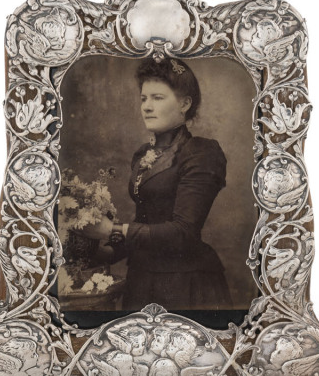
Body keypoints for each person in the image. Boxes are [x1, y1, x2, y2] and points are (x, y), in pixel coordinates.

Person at [81, 58, 232, 311]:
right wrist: (105, 252)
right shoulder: (143, 155)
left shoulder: (201, 153)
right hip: (141, 280)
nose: (147, 107)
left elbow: (183, 232)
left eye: (158, 98)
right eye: (143, 99)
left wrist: (111, 229)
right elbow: (148, 223)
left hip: (186, 284)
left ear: (185, 103)